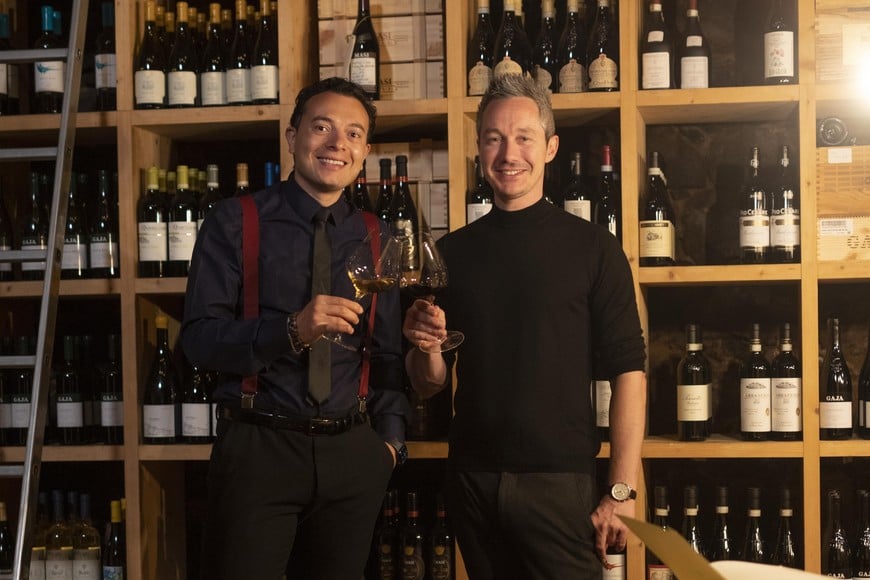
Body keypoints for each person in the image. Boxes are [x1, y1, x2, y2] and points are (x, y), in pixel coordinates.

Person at [403, 73, 647, 579]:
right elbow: (428, 383)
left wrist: (622, 489)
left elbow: (628, 370)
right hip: (471, 479)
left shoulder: (594, 248)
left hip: (560, 484)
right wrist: (424, 347)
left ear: (551, 147)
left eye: (523, 138)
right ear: (479, 149)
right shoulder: (451, 254)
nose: (508, 153)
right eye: (493, 138)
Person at [181, 77, 410, 580]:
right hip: (259, 450)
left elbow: (387, 355)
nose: (337, 144)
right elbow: (197, 340)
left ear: (365, 150)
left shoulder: (378, 236)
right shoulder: (234, 221)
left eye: (353, 134)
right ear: (292, 136)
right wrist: (290, 331)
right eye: (322, 127)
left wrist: (388, 446)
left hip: (353, 456)